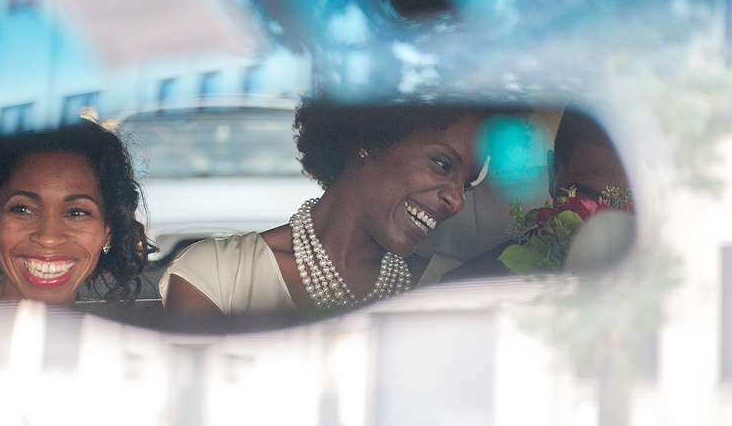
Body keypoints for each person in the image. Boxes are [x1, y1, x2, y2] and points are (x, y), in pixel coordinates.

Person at [160, 99, 486, 315]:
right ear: (371, 137)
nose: (457, 201)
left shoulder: (451, 287)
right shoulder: (217, 275)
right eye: (442, 164)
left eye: (466, 184)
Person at [0, 120, 154, 305]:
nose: (49, 238)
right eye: (23, 209)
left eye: (77, 213)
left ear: (108, 230)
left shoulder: (119, 336)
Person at [443, 108, 630, 280]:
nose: (612, 225)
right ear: (553, 175)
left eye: (632, 210)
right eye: (590, 201)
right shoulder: (477, 284)